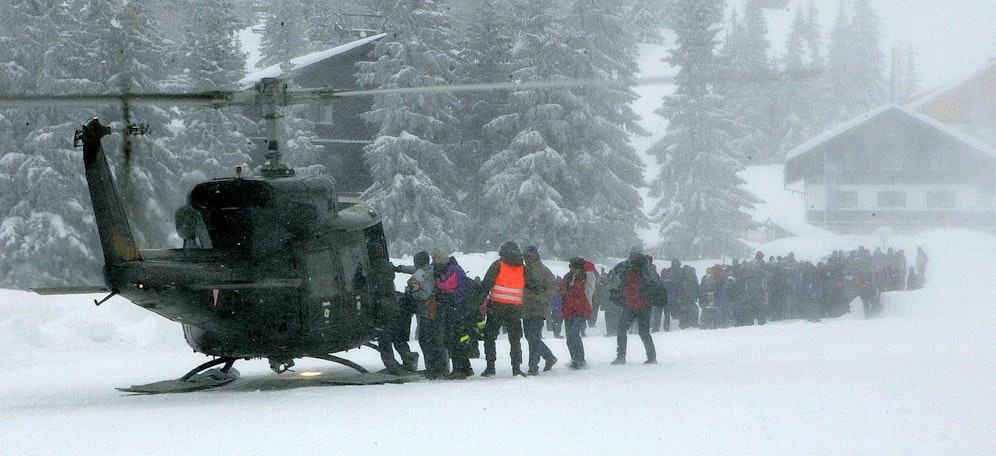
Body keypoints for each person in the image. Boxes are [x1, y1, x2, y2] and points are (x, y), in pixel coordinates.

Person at [478, 241, 527, 377]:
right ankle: (516, 367)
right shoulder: (522, 268)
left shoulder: (498, 265)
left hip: (497, 306)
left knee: (490, 337)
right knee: (515, 339)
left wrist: (478, 300)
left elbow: (486, 284)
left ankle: (490, 366)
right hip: (515, 307)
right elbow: (531, 285)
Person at [607, 243, 660, 365]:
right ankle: (650, 357)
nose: (632, 256)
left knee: (631, 331)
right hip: (636, 304)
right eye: (632, 254)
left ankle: (622, 356)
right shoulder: (640, 266)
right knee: (639, 332)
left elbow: (614, 275)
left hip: (636, 304)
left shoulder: (639, 266)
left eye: (634, 254)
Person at [367, 242, 416, 374]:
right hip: (393, 305)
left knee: (385, 341)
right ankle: (408, 360)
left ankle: (393, 367)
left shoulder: (373, 267)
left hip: (382, 308)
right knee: (397, 338)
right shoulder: (387, 266)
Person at [395, 252, 443, 379]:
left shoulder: (426, 274)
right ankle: (434, 368)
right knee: (428, 341)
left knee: (427, 341)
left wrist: (409, 294)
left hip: (428, 312)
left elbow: (424, 294)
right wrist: (398, 268)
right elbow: (412, 270)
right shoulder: (425, 270)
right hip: (426, 311)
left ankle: (434, 370)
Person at [433, 252, 474, 380]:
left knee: (454, 338)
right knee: (457, 338)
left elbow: (445, 284)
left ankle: (459, 369)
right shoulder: (450, 269)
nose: (434, 261)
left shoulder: (454, 270)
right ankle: (465, 367)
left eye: (436, 258)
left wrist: (437, 279)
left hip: (456, 307)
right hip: (452, 307)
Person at [521, 245, 558, 376]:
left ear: (536, 255)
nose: (526, 259)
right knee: (530, 337)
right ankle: (549, 357)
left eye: (528, 256)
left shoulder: (544, 271)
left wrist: (538, 297)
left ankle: (533, 367)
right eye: (524, 256)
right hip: (526, 309)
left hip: (538, 309)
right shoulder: (523, 270)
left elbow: (552, 290)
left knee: (533, 337)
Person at [561, 258, 594, 369]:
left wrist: (585, 264)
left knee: (573, 334)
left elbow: (591, 269)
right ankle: (575, 359)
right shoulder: (567, 278)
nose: (573, 270)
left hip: (582, 310)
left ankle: (579, 359)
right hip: (568, 310)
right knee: (570, 338)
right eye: (571, 267)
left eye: (576, 268)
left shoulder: (587, 278)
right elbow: (561, 291)